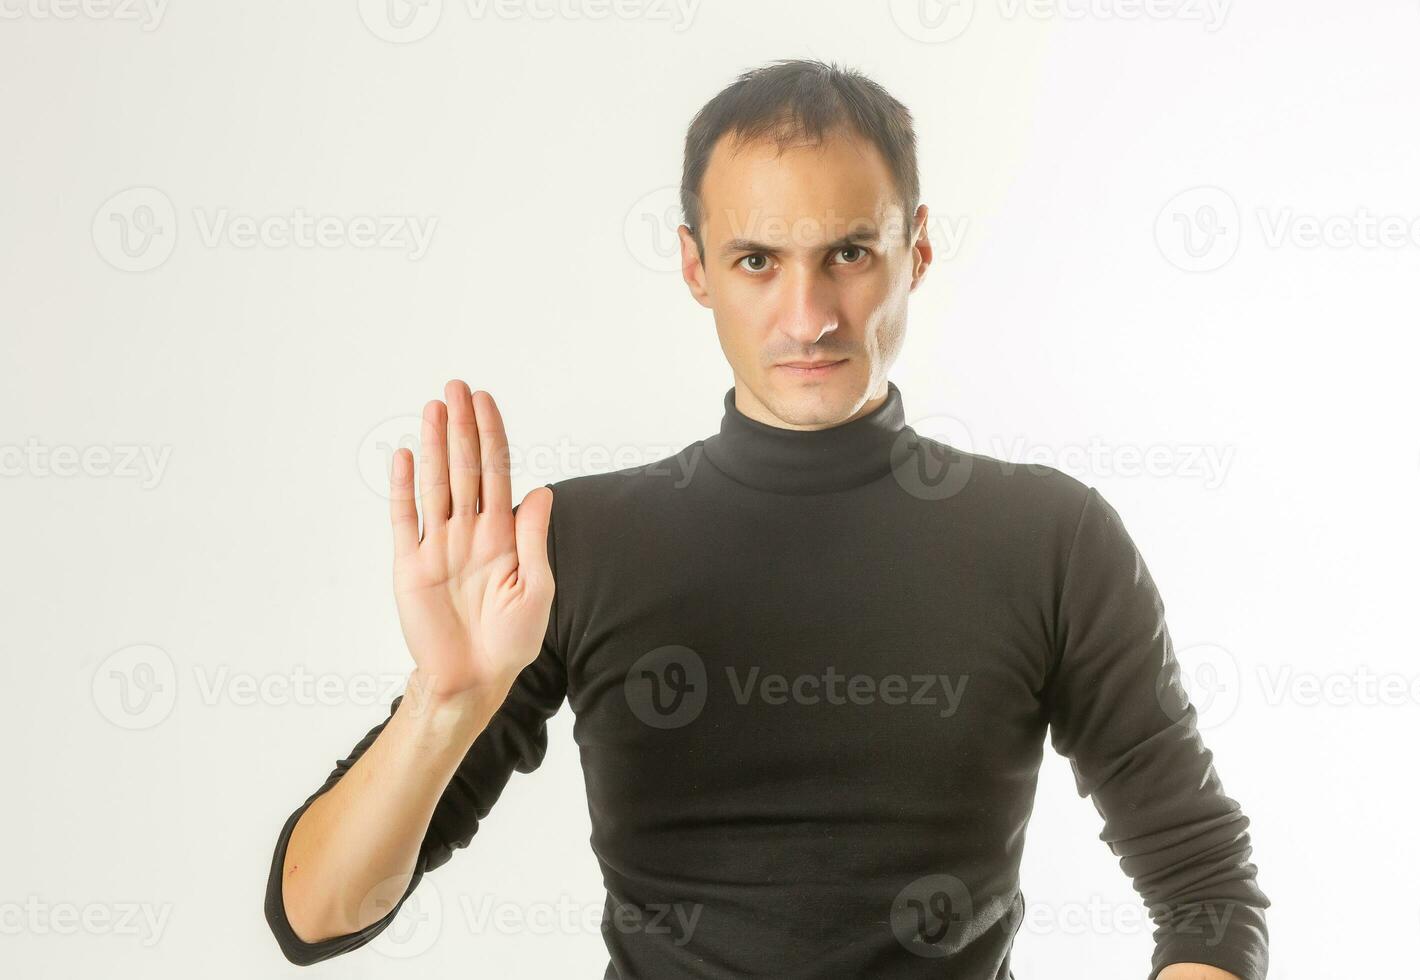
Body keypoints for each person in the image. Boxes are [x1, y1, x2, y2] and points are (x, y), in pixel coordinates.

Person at [263, 58, 1269, 980]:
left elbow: (1206, 893)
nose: (808, 315)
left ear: (915, 250)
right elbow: (314, 912)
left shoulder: (1051, 538)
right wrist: (446, 702)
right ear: (695, 267)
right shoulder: (571, 545)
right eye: (757, 261)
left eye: (849, 253)